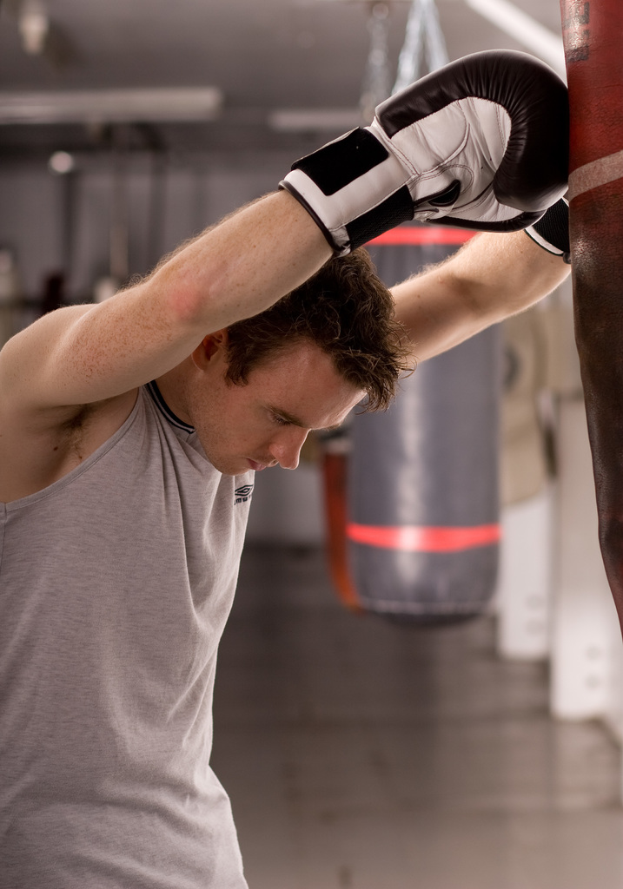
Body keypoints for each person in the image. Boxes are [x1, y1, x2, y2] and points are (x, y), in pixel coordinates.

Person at [0, 51, 569, 888]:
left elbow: (472, 294)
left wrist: (597, 190)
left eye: (311, 428)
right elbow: (184, 298)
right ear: (212, 348)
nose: (289, 455)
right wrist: (396, 162)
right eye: (280, 419)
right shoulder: (56, 403)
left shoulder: (285, 377)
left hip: (196, 854)